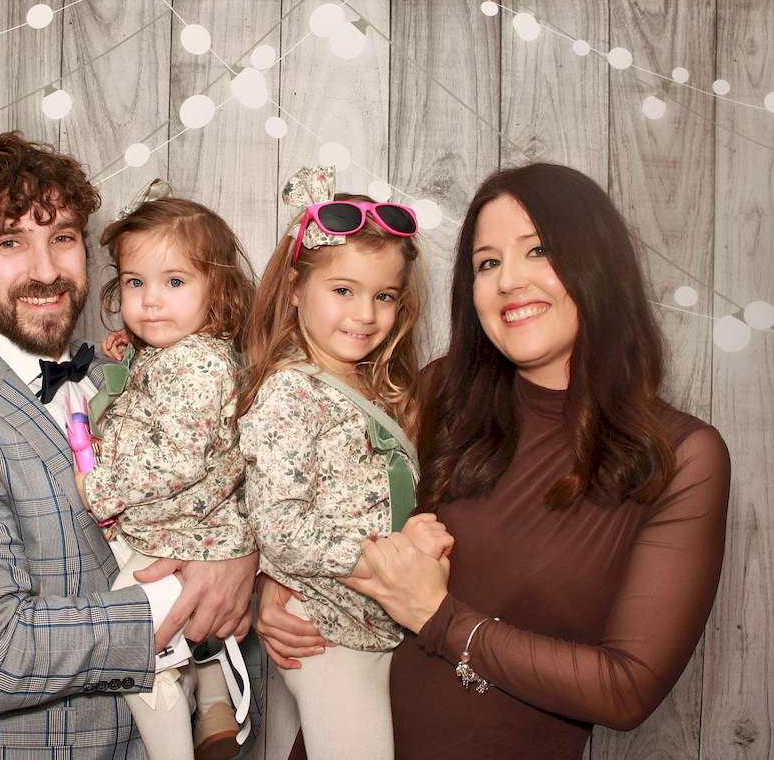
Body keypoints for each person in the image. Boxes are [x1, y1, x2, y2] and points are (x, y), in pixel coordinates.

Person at [261, 162, 731, 759]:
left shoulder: (682, 455)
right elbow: (309, 487)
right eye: (487, 263)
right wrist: (272, 582)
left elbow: (627, 689)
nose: (509, 281)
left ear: (598, 266)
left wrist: (438, 617)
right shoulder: (438, 395)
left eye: (539, 251)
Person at [0, 132, 258, 760]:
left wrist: (243, 555)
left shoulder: (142, 370)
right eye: (10, 243)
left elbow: (229, 478)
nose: (46, 271)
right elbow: (1, 654)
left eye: (61, 237)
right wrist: (198, 584)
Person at [238, 167, 454, 760]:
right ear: (294, 288)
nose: (365, 314)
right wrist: (392, 560)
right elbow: (281, 529)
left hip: (372, 622)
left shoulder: (377, 387)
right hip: (324, 629)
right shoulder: (290, 393)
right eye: (343, 290)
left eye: (384, 296)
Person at [72, 193, 258, 760]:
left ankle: (174, 747)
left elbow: (174, 455)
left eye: (174, 282)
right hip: (179, 530)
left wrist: (98, 488)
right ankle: (214, 698)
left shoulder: (197, 363)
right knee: (163, 635)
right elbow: (155, 403)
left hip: (186, 536)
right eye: (135, 283)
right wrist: (130, 356)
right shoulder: (178, 350)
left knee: (127, 637)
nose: (150, 300)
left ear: (217, 292)